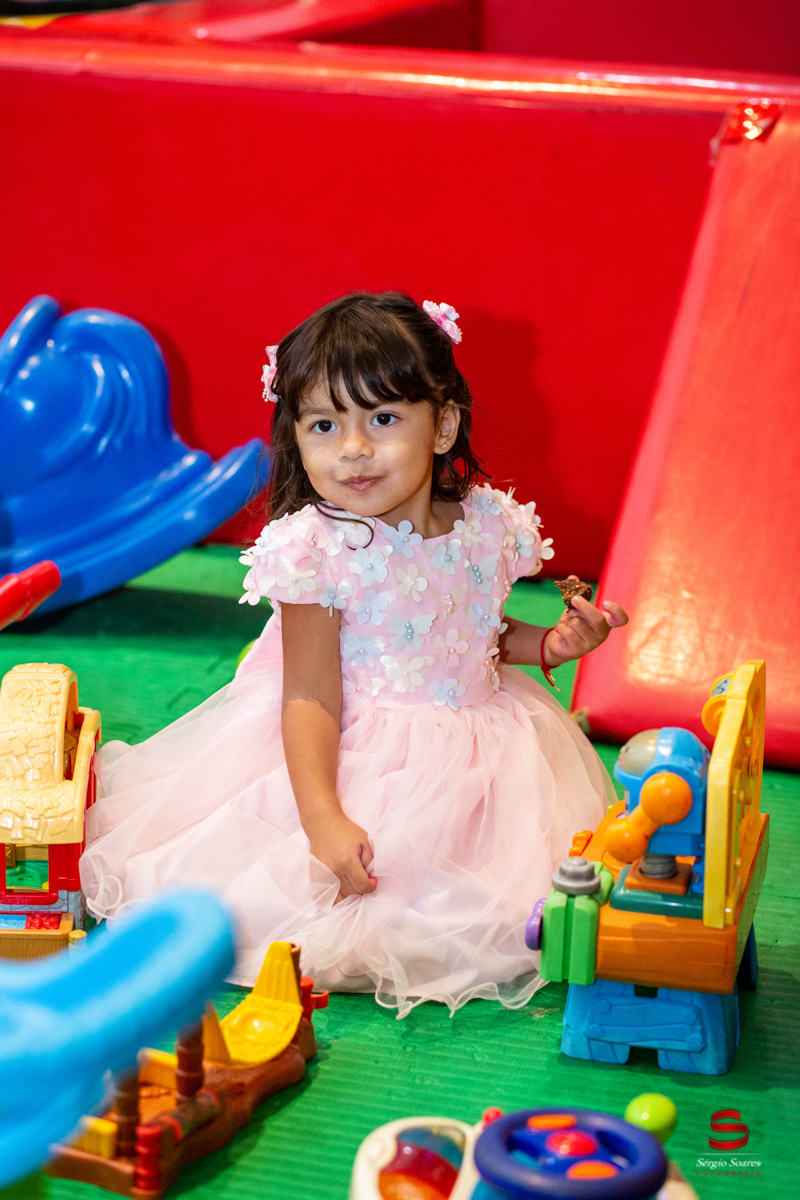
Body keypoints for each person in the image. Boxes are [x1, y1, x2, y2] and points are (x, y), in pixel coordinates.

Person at [81, 292, 627, 1018]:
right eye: (324, 425)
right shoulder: (317, 550)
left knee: (510, 906)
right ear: (296, 436)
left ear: (443, 426)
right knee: (348, 914)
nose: (353, 448)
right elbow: (309, 695)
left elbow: (473, 632)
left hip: (478, 751)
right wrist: (323, 820)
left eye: (383, 419)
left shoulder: (485, 524)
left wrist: (551, 643)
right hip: (346, 749)